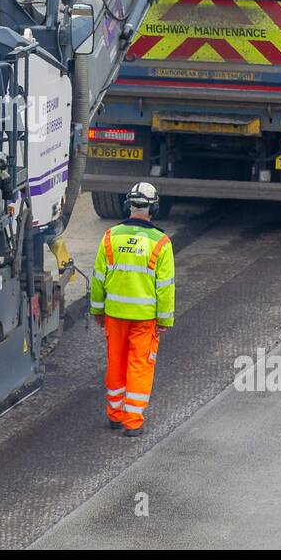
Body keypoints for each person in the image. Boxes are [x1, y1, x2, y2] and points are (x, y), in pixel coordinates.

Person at [90, 183, 175, 436]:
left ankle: (114, 415)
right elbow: (165, 287)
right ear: (154, 208)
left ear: (128, 205)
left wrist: (97, 311)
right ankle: (132, 422)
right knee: (139, 365)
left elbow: (98, 278)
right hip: (145, 319)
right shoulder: (161, 242)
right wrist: (164, 319)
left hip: (114, 316)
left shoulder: (110, 237)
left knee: (115, 362)